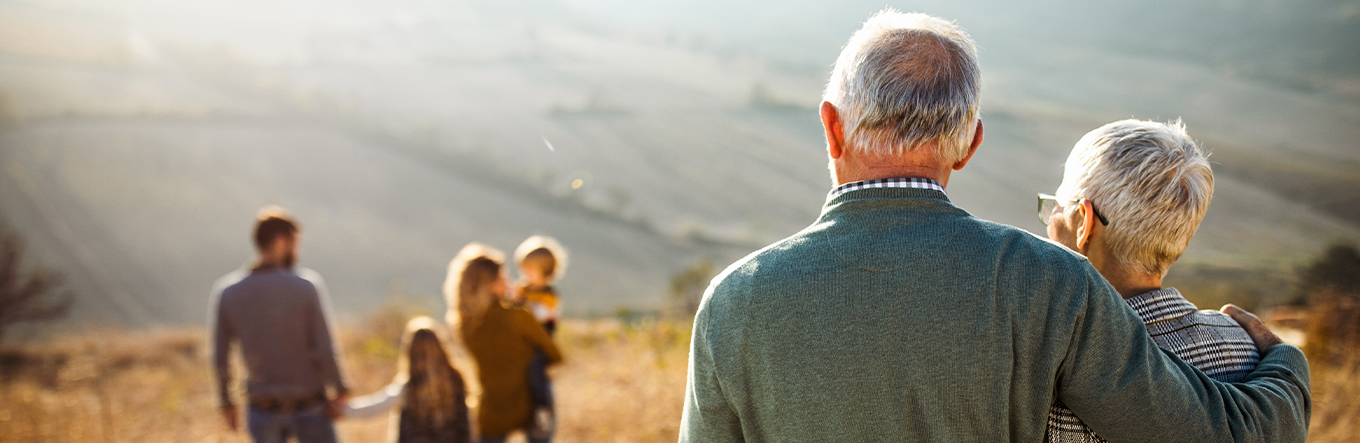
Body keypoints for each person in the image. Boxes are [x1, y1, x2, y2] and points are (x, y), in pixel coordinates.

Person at [678, 10, 1310, 443]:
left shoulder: (735, 299)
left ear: (831, 126)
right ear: (969, 144)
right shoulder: (1049, 281)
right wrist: (1285, 367)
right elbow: (1203, 432)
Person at [1040, 119, 1262, 442]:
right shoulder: (1246, 350)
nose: (1048, 226)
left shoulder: (1056, 375)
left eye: (1056, 207)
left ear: (1085, 222)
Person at [210, 206, 350, 443]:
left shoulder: (228, 292)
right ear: (280, 241)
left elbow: (220, 356)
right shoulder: (306, 287)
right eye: (295, 242)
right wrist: (340, 389)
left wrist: (226, 402)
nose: (297, 250)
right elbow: (324, 347)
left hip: (261, 408)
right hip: (309, 406)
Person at [445, 243, 564, 443]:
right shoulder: (517, 317)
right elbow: (555, 354)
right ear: (492, 283)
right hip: (531, 405)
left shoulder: (464, 324)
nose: (511, 281)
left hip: (492, 408)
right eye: (503, 277)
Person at [344, 316, 473, 443]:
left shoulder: (410, 387)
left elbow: (378, 406)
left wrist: (342, 410)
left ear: (410, 352)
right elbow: (466, 425)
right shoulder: (456, 380)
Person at [513, 235, 569, 439]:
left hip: (540, 346)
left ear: (545, 272)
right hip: (522, 345)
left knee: (536, 373)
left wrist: (522, 304)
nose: (525, 274)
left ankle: (542, 409)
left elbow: (541, 315)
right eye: (523, 269)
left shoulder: (550, 296)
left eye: (530, 270)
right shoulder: (523, 290)